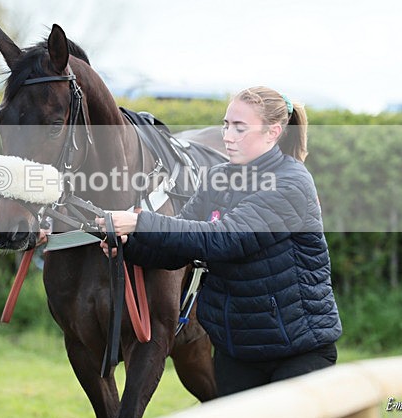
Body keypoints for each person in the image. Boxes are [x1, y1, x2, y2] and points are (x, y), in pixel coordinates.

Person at [98, 86, 341, 397]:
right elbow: (180, 245)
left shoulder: (291, 183)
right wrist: (128, 244)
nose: (228, 135)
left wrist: (140, 222)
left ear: (273, 133)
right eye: (226, 125)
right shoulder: (218, 178)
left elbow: (224, 239)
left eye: (240, 127)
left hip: (297, 352)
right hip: (236, 352)